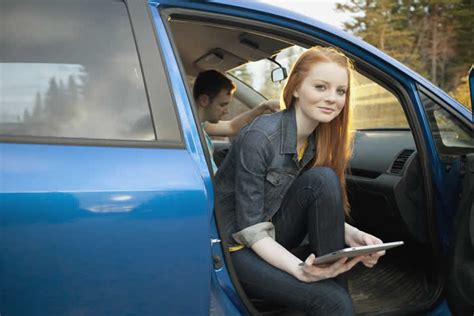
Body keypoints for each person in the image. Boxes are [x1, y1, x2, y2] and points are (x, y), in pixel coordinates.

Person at [215, 46, 385, 315]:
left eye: (340, 91)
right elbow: (250, 231)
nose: (332, 99)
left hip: (269, 231)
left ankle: (335, 289)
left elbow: (310, 203)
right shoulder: (260, 138)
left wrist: (354, 236)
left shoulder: (317, 140)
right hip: (234, 248)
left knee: (323, 179)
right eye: (320, 87)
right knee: (334, 302)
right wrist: (299, 271)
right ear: (295, 88)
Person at [193, 70, 279, 173]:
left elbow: (232, 127)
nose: (226, 111)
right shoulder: (189, 131)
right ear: (204, 100)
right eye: (222, 105)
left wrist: (264, 106)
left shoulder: (200, 125)